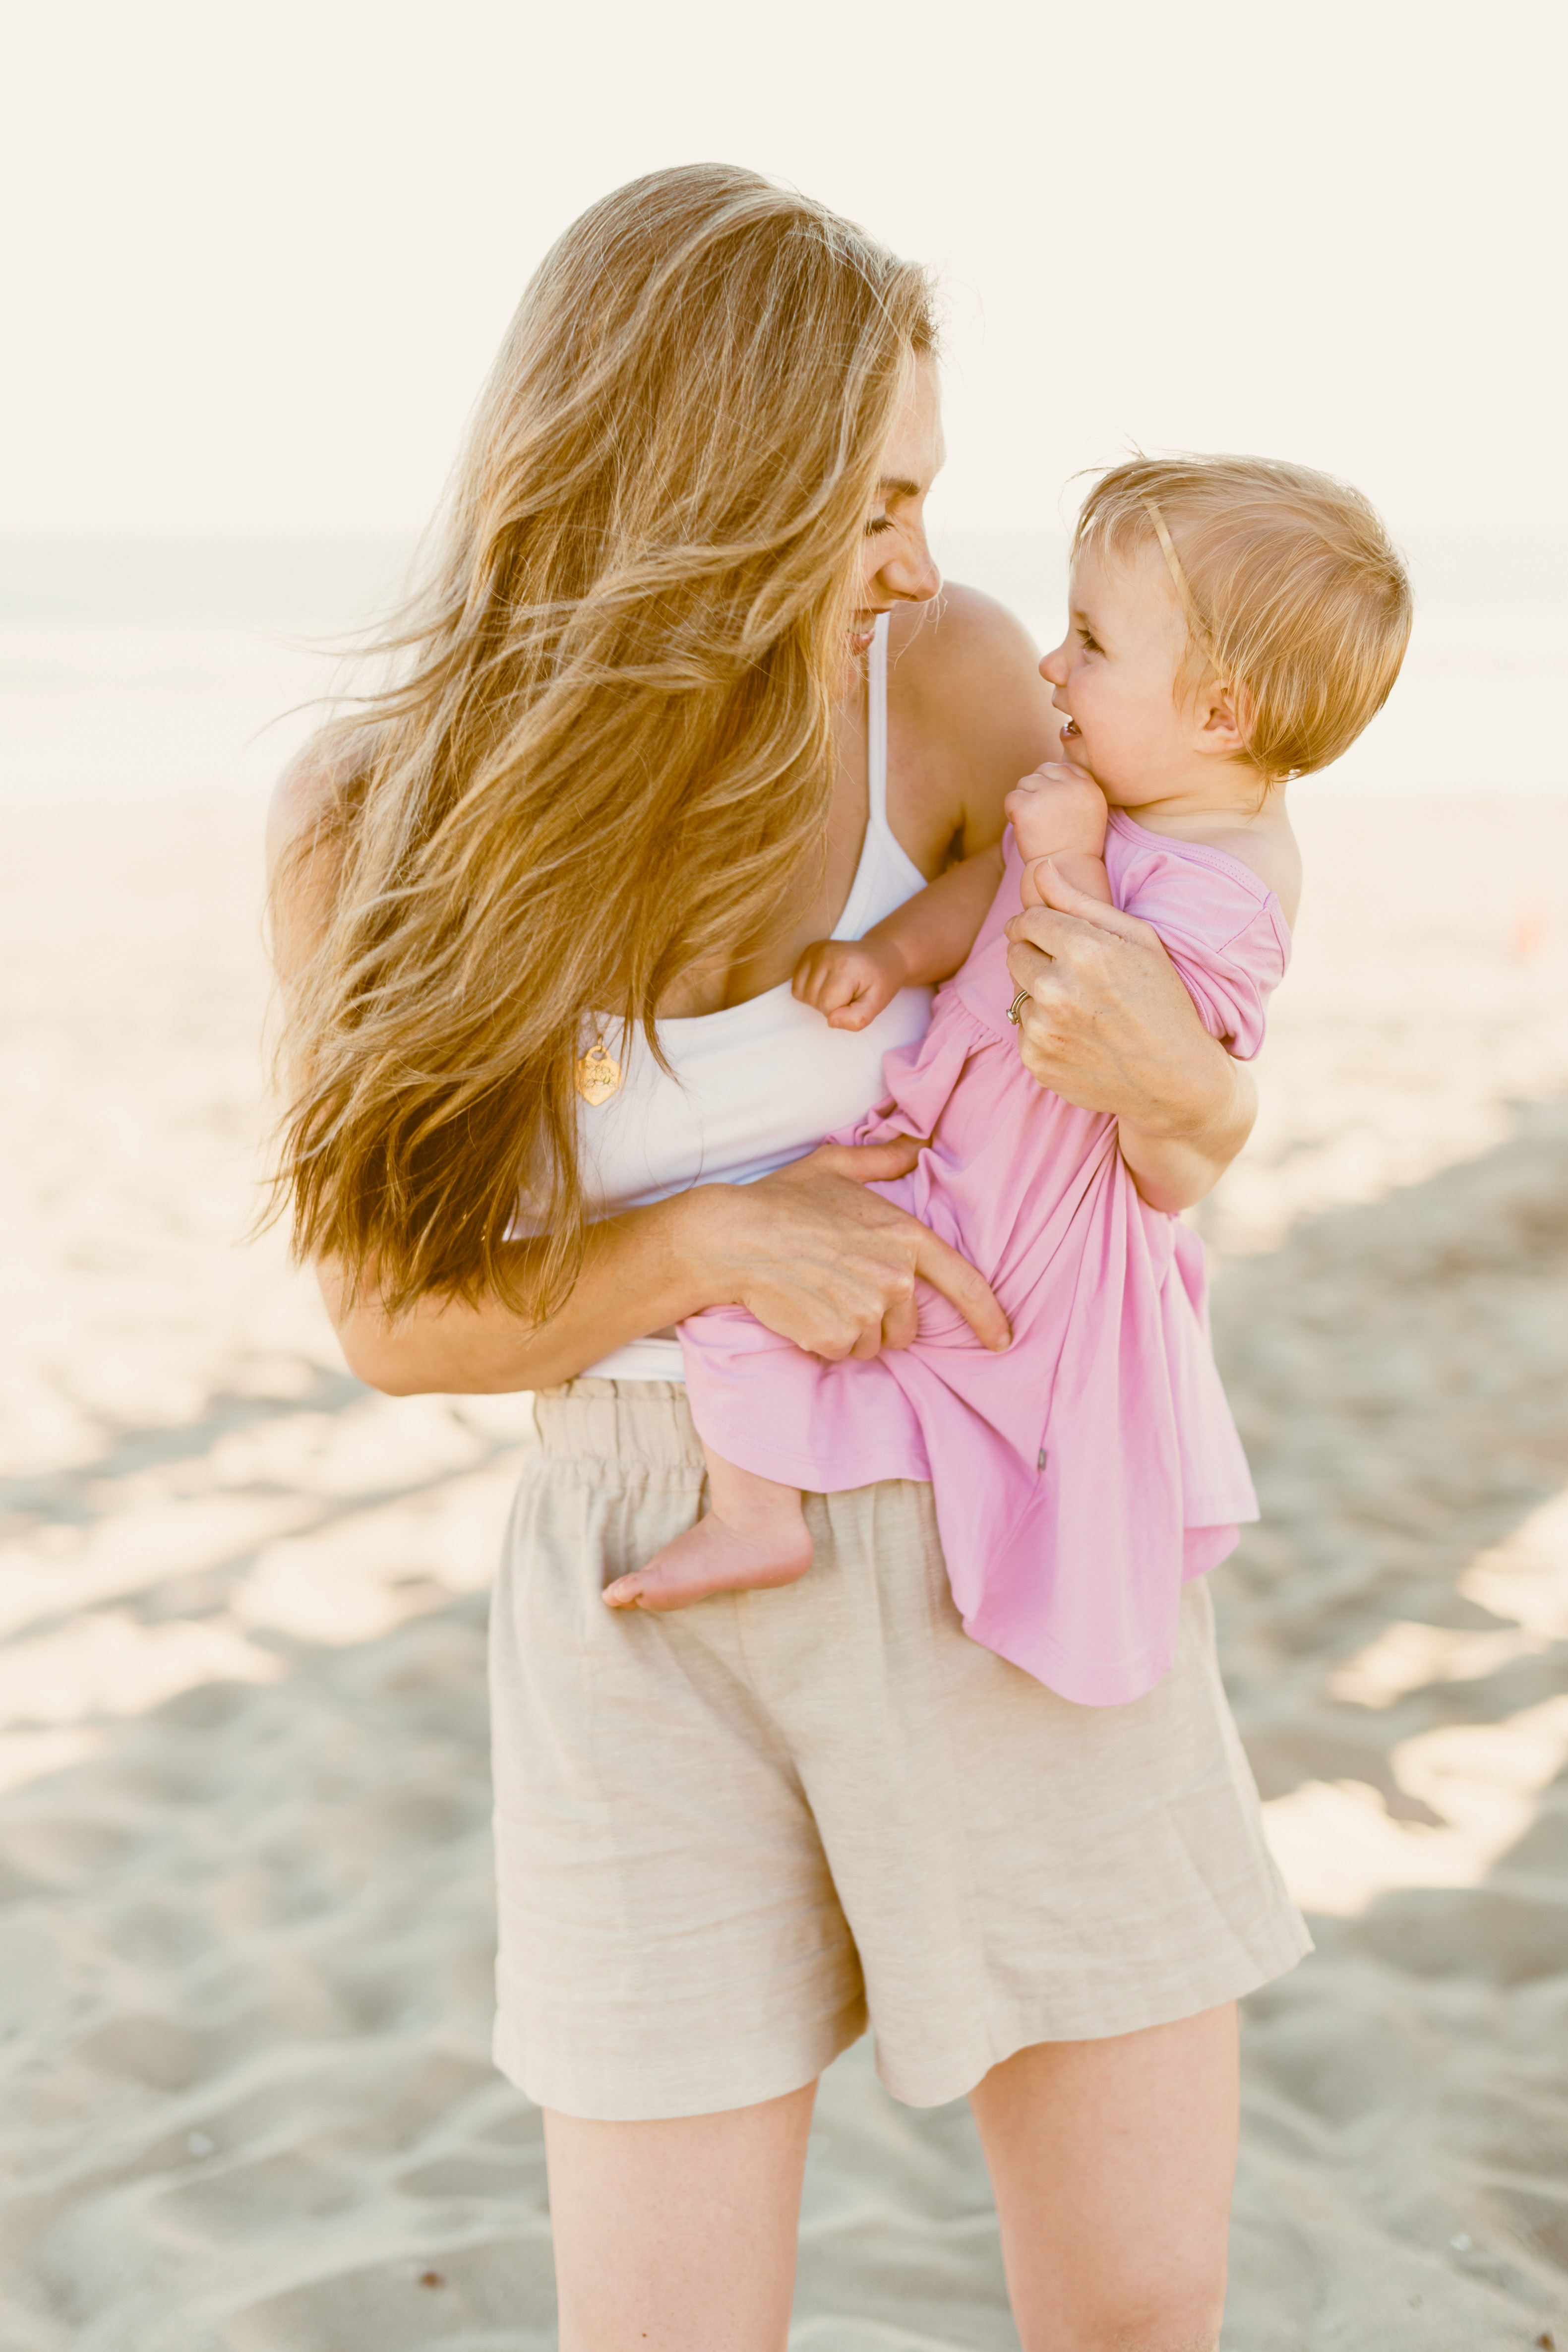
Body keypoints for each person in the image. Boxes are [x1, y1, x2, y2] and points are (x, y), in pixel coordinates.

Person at [268, 164, 1311, 2352]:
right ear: (690, 487)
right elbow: (389, 1319)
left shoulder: (936, 689)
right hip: (648, 1578)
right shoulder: (379, 819)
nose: (926, 562)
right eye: (866, 503)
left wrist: (1191, 1097)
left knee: (1132, 2313)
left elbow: (1162, 1124)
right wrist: (721, 1234)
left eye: (923, 492)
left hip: (1016, 1505)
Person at [604, 457, 1412, 1719]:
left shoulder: (1240, 879)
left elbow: (1109, 1031)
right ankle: (770, 1507)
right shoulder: (1118, 799)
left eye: (1091, 642)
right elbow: (983, 895)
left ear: (1219, 710)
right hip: (951, 1127)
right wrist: (890, 954)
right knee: (766, 1255)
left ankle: (757, 1514)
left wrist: (1072, 858)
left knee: (766, 1313)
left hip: (1032, 1201)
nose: (1051, 666)